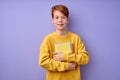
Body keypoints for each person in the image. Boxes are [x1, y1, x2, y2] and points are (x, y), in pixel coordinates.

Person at [39, 4, 89, 80]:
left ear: (67, 20)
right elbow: (43, 62)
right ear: (52, 20)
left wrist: (65, 56)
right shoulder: (48, 39)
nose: (60, 20)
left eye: (63, 17)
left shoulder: (76, 38)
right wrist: (66, 66)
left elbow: (85, 59)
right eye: (57, 17)